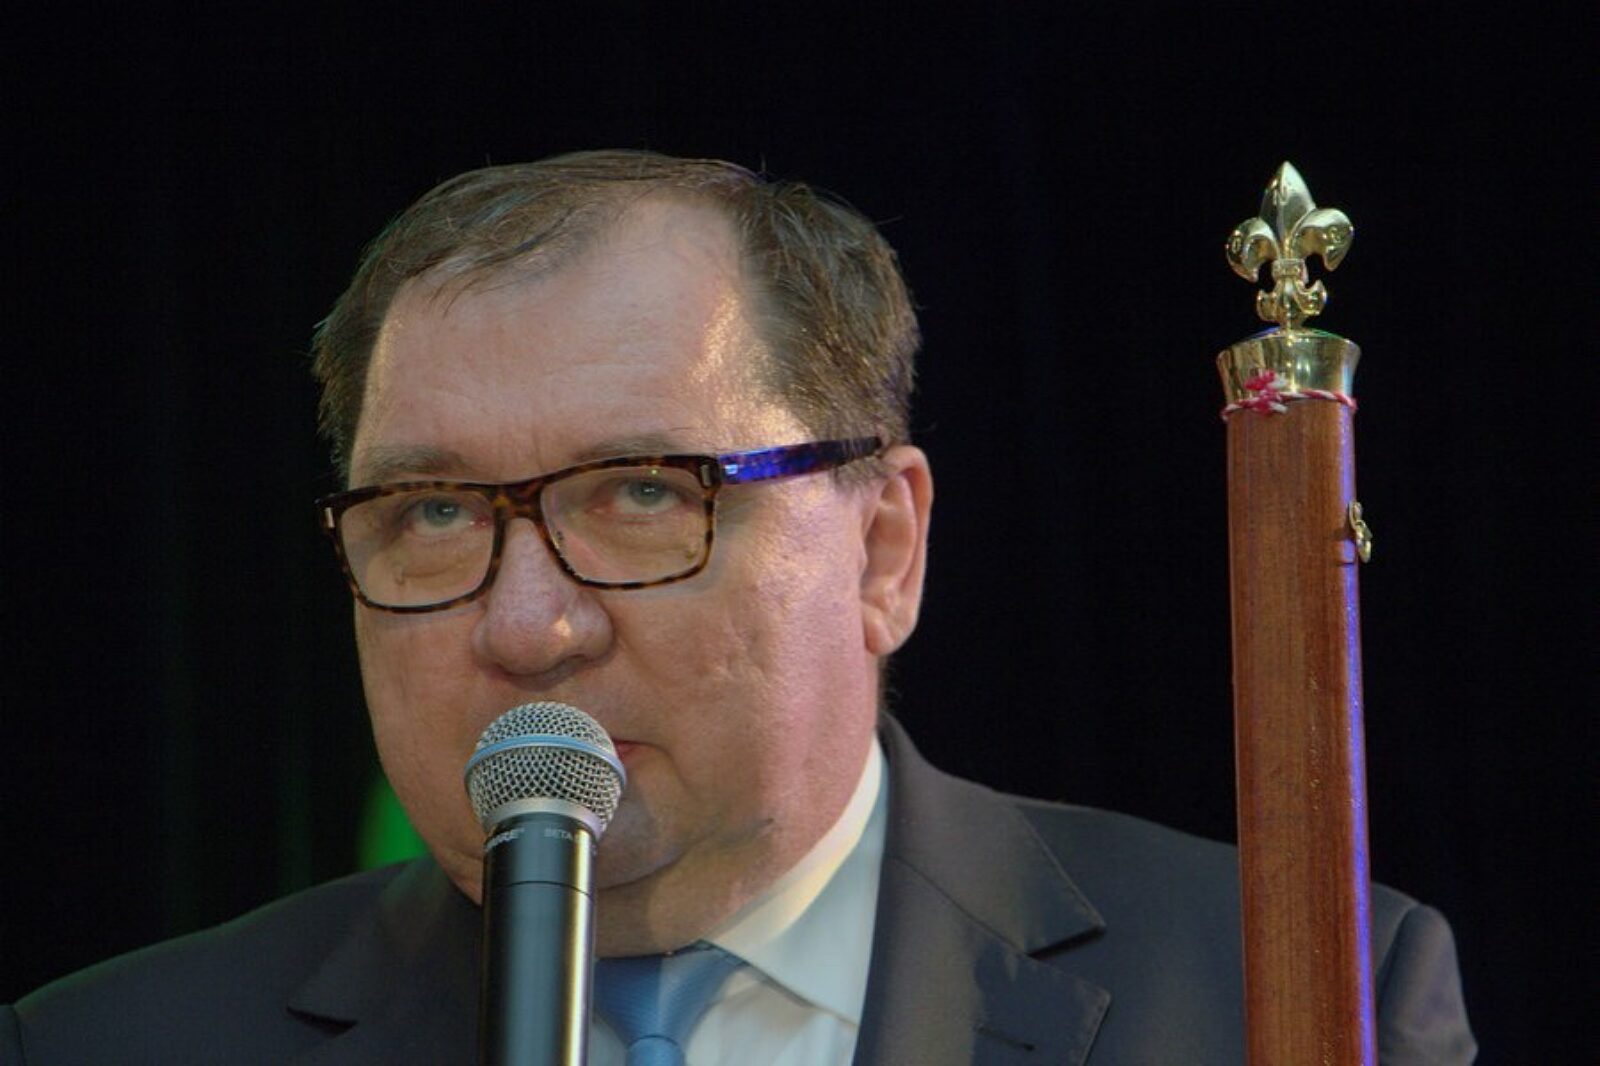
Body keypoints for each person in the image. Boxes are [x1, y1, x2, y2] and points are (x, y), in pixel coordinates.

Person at [3, 150, 1476, 1063]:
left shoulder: (1277, 999)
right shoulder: (104, 1047)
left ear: (884, 550)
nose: (526, 626)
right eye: (435, 514)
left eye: (643, 493)